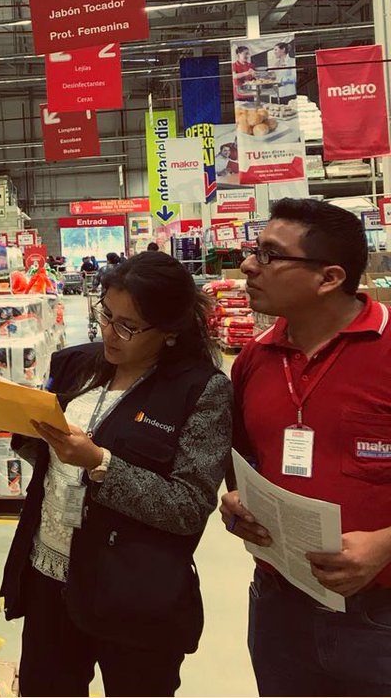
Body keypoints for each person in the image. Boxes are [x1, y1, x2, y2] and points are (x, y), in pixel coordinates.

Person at [2, 252, 232, 697]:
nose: (110, 332)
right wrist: (25, 426)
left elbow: (188, 506)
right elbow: (49, 464)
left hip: (131, 594)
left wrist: (100, 463)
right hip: (49, 573)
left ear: (170, 331)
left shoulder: (201, 391)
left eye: (128, 326)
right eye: (106, 314)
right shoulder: (75, 365)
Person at [220, 198, 391, 696]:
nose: (248, 266)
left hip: (379, 615)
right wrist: (237, 505)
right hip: (279, 608)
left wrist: (385, 545)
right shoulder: (254, 359)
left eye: (269, 255)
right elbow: (245, 460)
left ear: (329, 278)